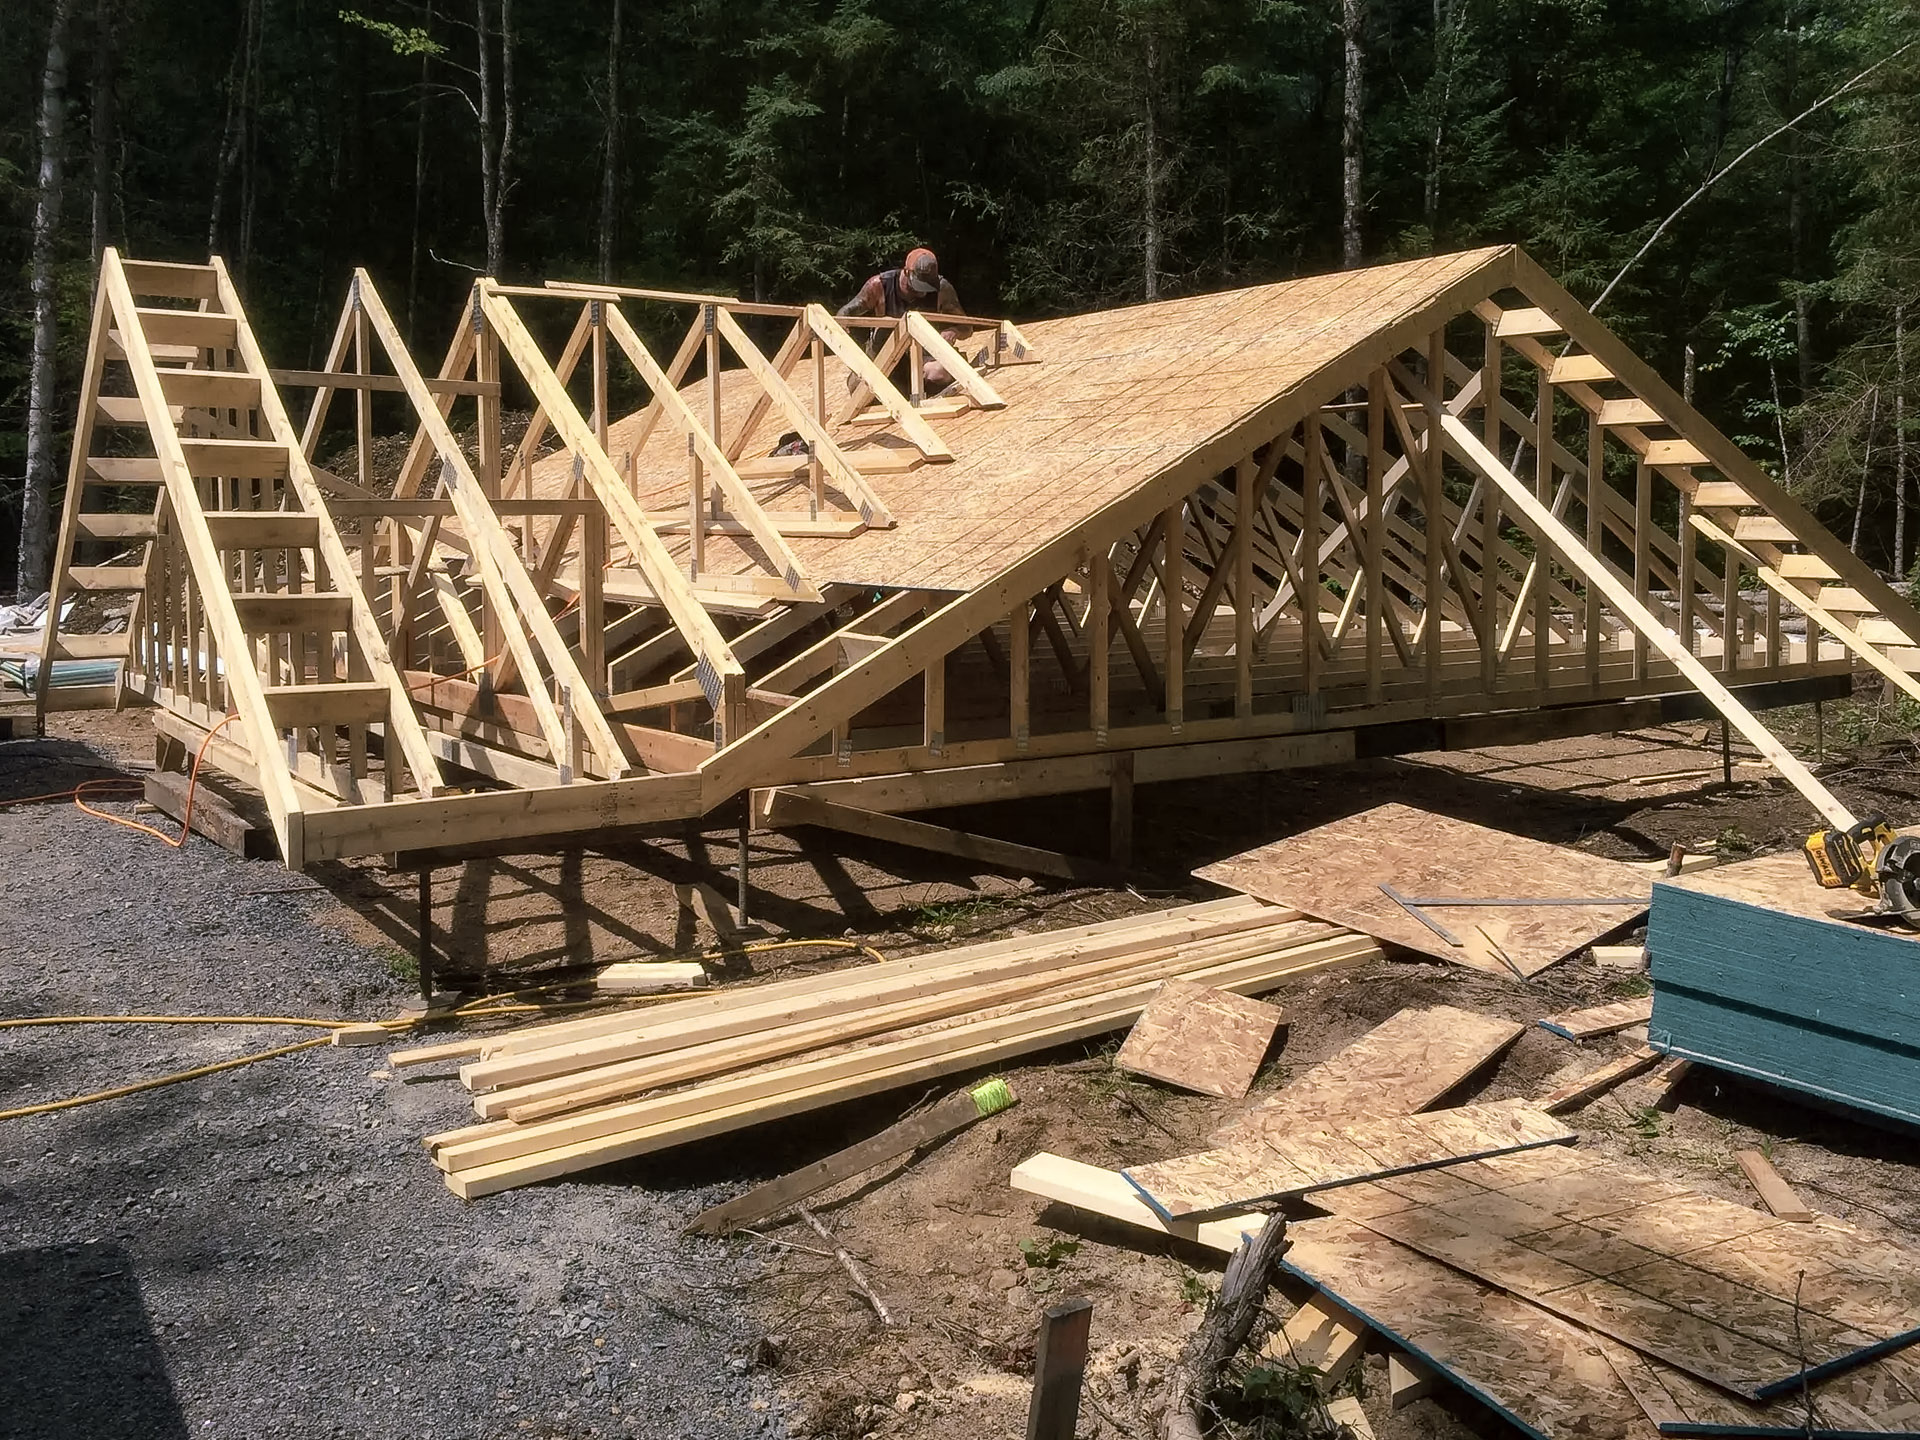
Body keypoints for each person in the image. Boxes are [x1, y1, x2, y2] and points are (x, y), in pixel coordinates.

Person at [837, 247, 965, 392]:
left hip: (923, 358)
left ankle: (919, 391)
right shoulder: (879, 285)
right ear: (906, 271)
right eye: (919, 286)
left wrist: (954, 331)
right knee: (858, 387)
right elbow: (846, 312)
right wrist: (841, 330)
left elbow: (966, 327)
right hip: (885, 355)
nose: (923, 292)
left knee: (940, 373)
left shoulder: (942, 288)